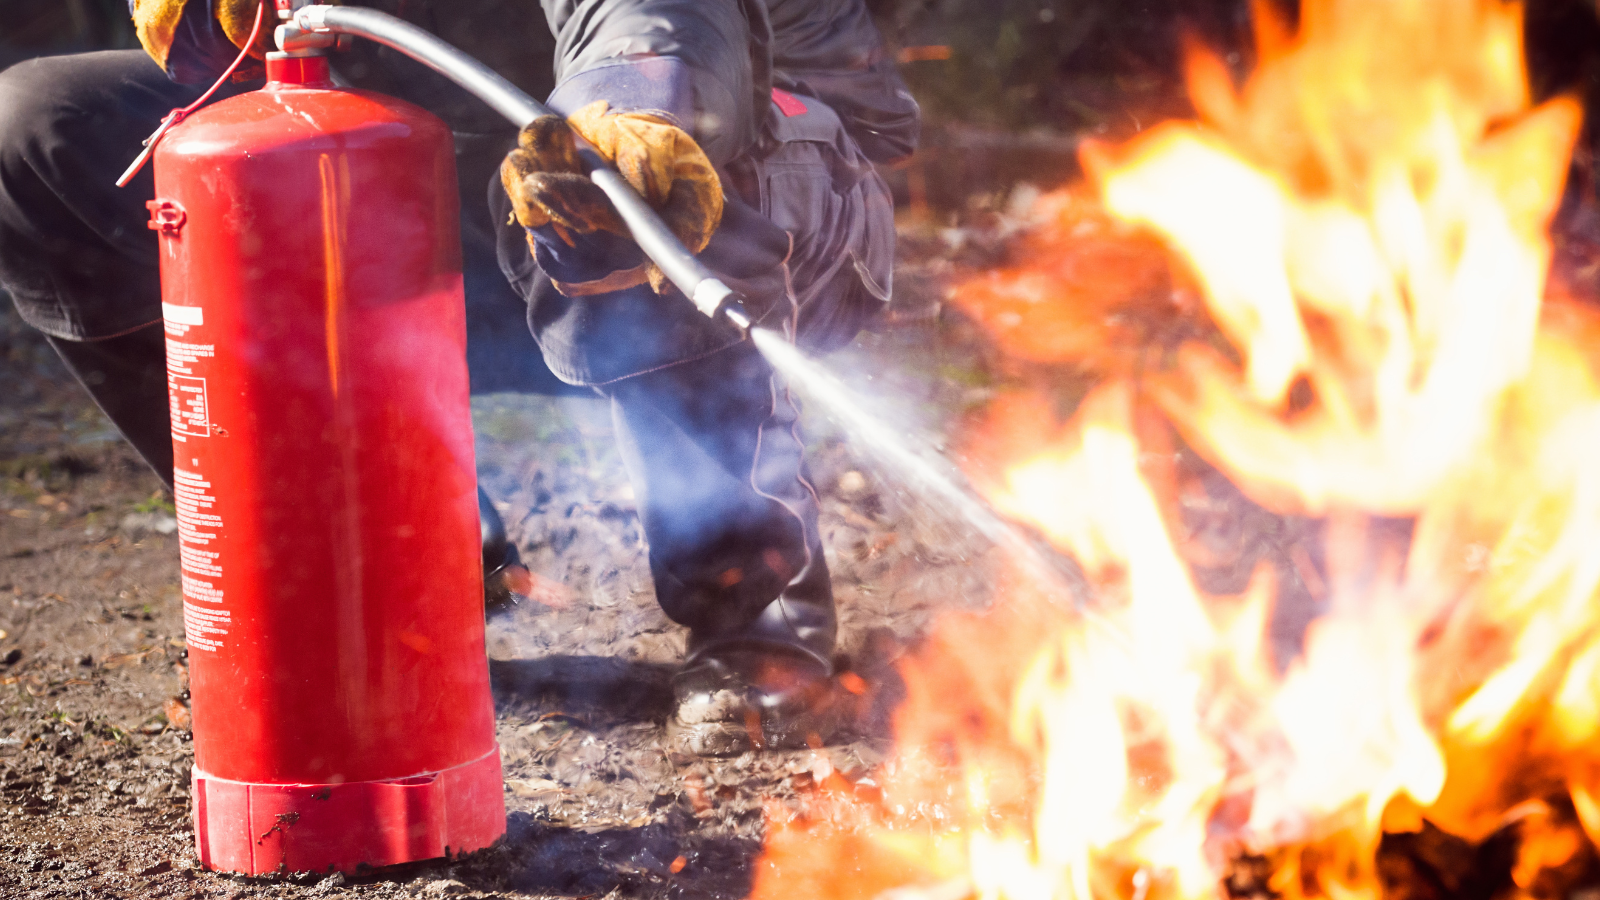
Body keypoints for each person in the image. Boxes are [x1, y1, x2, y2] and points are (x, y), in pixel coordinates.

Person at [0, 0, 918, 755]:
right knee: (39, 127)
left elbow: (657, 20)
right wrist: (223, 30)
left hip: (766, 175)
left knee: (610, 161)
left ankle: (750, 610)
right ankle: (393, 574)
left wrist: (633, 102)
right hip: (453, 180)